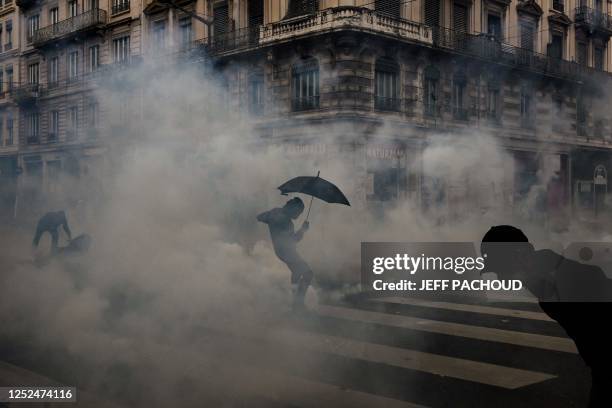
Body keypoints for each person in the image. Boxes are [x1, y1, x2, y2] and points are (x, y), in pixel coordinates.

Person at [481, 225, 612, 407]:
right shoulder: (545, 285)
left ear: (520, 256)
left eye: (502, 269)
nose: (500, 279)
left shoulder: (569, 279)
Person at [257, 197, 312, 311]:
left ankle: (296, 304)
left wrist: (270, 217)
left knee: (296, 272)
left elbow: (260, 216)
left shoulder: (276, 212)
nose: (298, 215)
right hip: (287, 251)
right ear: (292, 208)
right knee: (308, 273)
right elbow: (293, 240)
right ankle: (298, 304)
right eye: (298, 212)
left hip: (282, 251)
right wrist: (303, 229)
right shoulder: (285, 221)